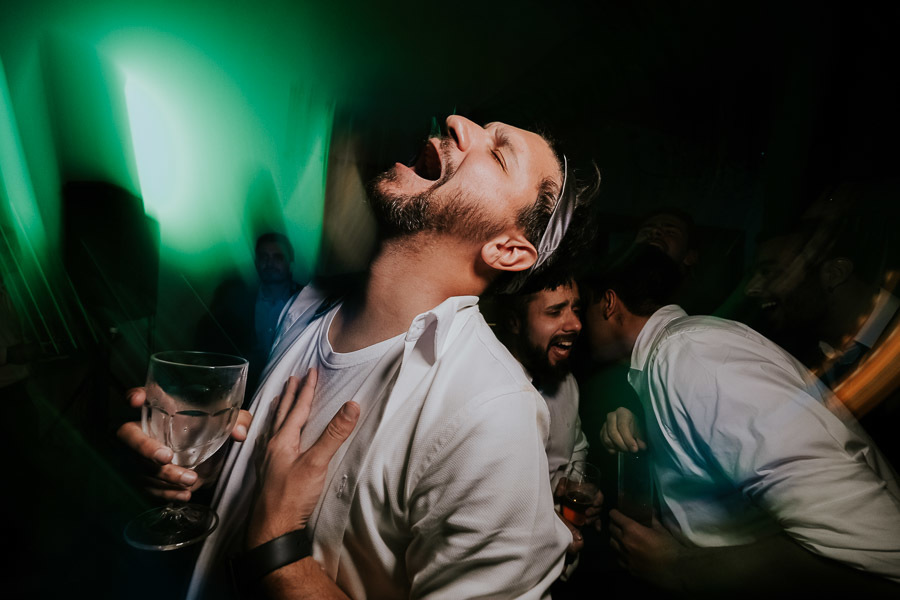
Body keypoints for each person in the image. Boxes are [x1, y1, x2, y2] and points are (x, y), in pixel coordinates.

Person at [119, 115, 590, 599]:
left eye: (497, 153)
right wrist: (200, 467)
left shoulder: (495, 411)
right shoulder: (306, 308)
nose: (456, 122)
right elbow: (261, 479)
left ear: (506, 250)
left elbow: (273, 524)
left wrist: (277, 545)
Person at [583, 243, 900, 595]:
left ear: (608, 304)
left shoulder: (692, 356)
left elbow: (880, 554)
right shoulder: (678, 354)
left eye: (581, 308)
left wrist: (679, 569)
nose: (575, 323)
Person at [492, 272, 590, 487]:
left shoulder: (567, 383)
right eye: (555, 312)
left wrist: (572, 483)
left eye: (576, 310)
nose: (576, 325)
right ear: (514, 322)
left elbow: (576, 447)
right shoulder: (490, 398)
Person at [195, 233, 303, 399]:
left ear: (291, 262)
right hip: (246, 391)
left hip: (289, 390)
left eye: (278, 257)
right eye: (264, 257)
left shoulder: (307, 301)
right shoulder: (239, 301)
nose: (270, 263)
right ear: (256, 262)